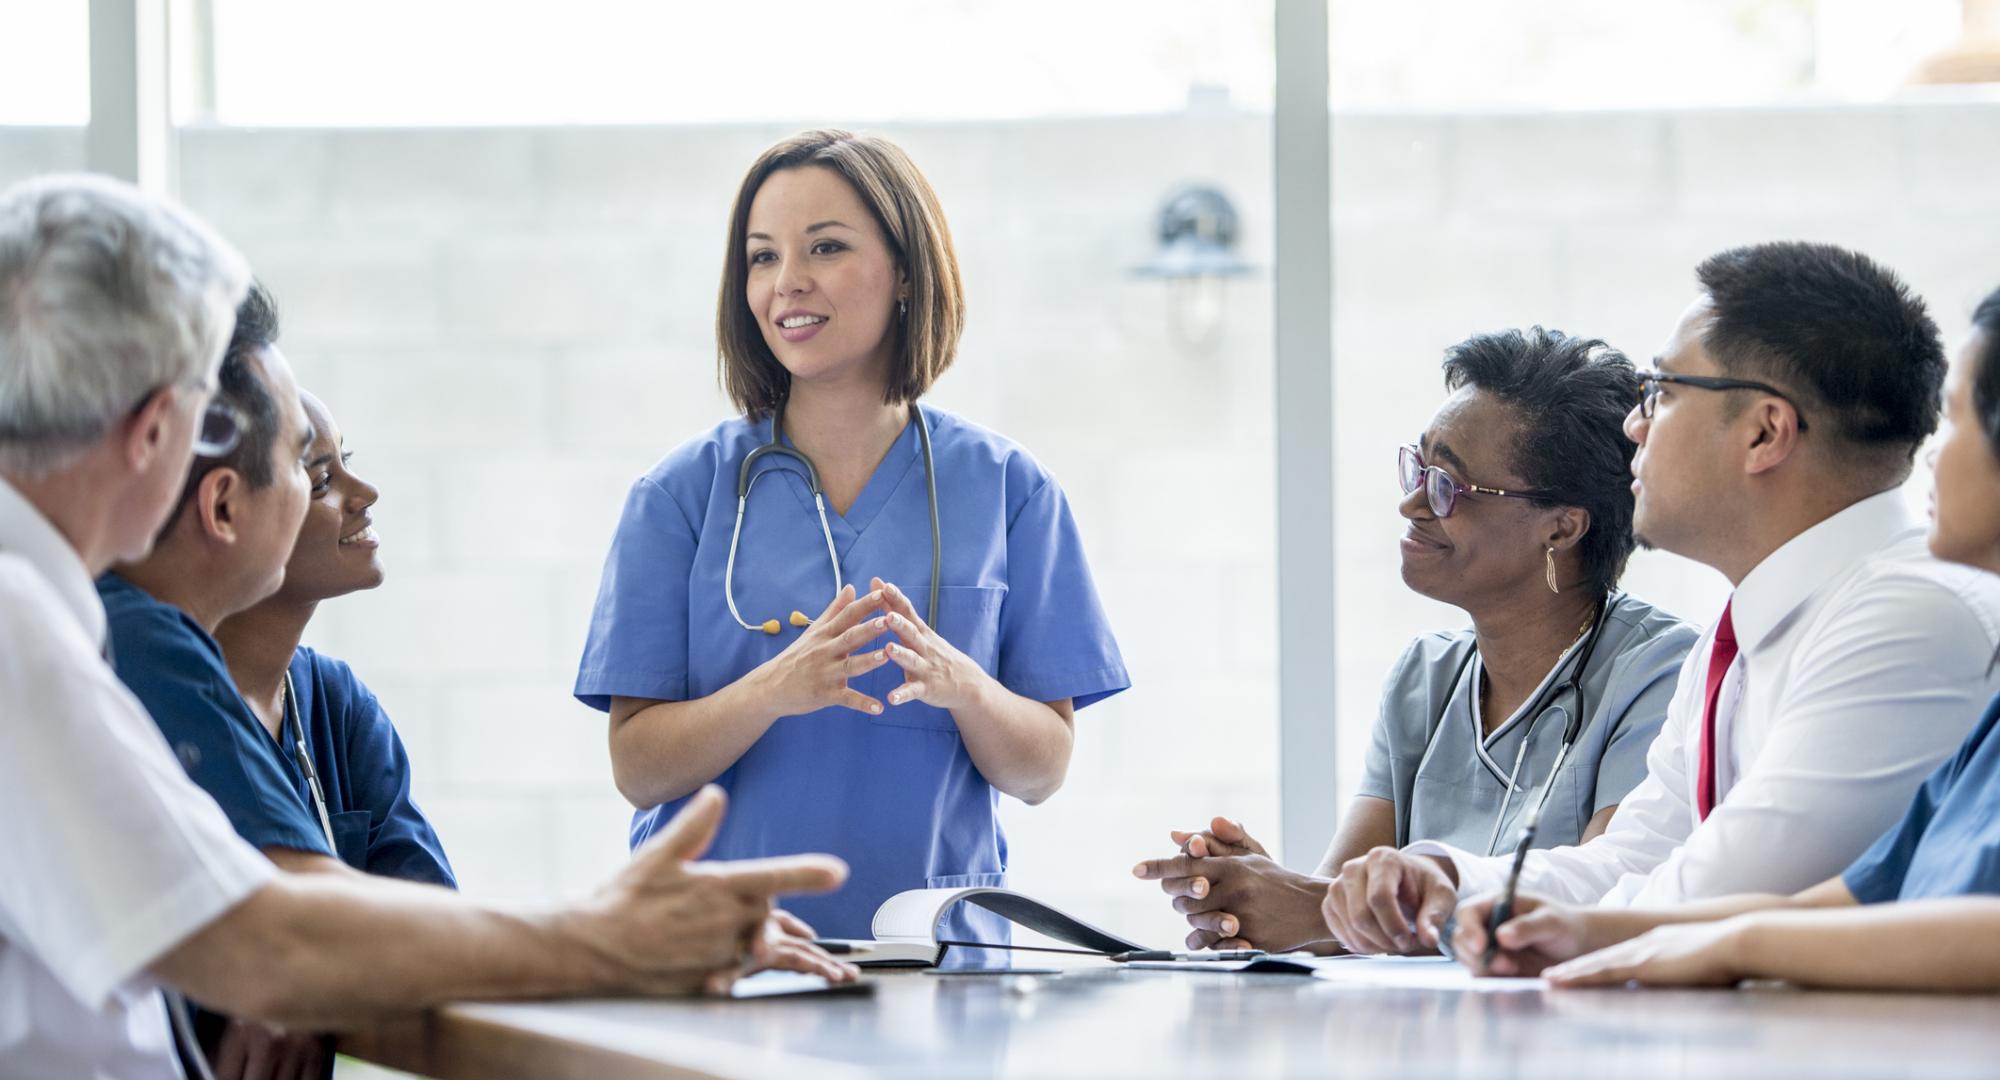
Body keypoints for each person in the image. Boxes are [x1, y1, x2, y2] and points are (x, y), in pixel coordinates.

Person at [0, 174, 852, 1079]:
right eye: (301, 460)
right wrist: (615, 936)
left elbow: (258, 927)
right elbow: (264, 943)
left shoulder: (67, 621)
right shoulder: (22, 629)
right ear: (154, 432)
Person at [1319, 242, 2000, 957]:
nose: (1634, 425)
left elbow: (1718, 891)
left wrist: (1505, 917)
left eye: (1663, 393)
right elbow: (1635, 857)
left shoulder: (1910, 619)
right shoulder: (1740, 633)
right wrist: (1451, 880)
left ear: (1765, 432)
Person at [575, 130, 1130, 943]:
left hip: (936, 959)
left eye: (825, 247)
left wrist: (963, 685)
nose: (786, 283)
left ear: (907, 270)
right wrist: (774, 688)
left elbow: (1041, 771)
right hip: (721, 958)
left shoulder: (1010, 490)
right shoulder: (679, 496)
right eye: (762, 258)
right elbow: (639, 768)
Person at [1132, 328, 1696, 953]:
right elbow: (1334, 911)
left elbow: (1610, 900)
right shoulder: (1426, 674)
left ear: (1561, 528)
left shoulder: (1661, 674)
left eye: (1447, 486)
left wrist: (1307, 907)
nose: (1411, 504)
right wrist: (1257, 897)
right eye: (1418, 467)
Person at [210, 295, 453, 888]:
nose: (364, 492)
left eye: (345, 462)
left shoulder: (335, 702)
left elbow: (430, 915)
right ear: (222, 508)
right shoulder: (168, 699)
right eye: (320, 478)